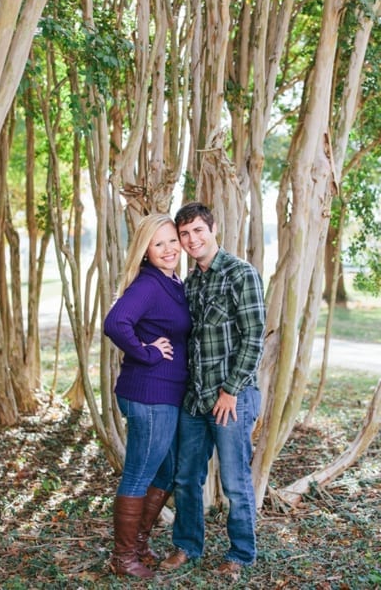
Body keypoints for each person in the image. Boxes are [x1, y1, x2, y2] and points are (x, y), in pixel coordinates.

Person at [159, 202, 265, 579]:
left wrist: (230, 390)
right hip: (195, 398)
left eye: (197, 231)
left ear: (213, 228)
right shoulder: (191, 283)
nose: (191, 240)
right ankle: (187, 546)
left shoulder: (241, 274)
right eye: (184, 234)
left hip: (231, 399)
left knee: (236, 482)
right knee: (187, 478)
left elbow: (254, 338)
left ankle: (239, 554)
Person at [103, 213, 192, 579]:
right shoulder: (149, 285)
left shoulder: (173, 283)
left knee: (167, 471)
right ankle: (122, 558)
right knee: (140, 474)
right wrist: (149, 352)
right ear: (146, 251)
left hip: (166, 395)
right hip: (149, 394)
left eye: (172, 240)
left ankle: (138, 542)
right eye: (159, 244)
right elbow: (115, 322)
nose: (169, 249)